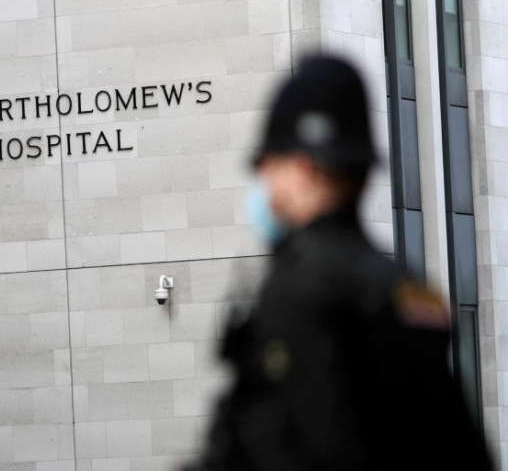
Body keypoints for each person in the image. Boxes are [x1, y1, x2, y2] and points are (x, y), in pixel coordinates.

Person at [188, 55, 492, 471]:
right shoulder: (409, 290)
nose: (264, 187)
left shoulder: (300, 290)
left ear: (301, 171)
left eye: (267, 167)